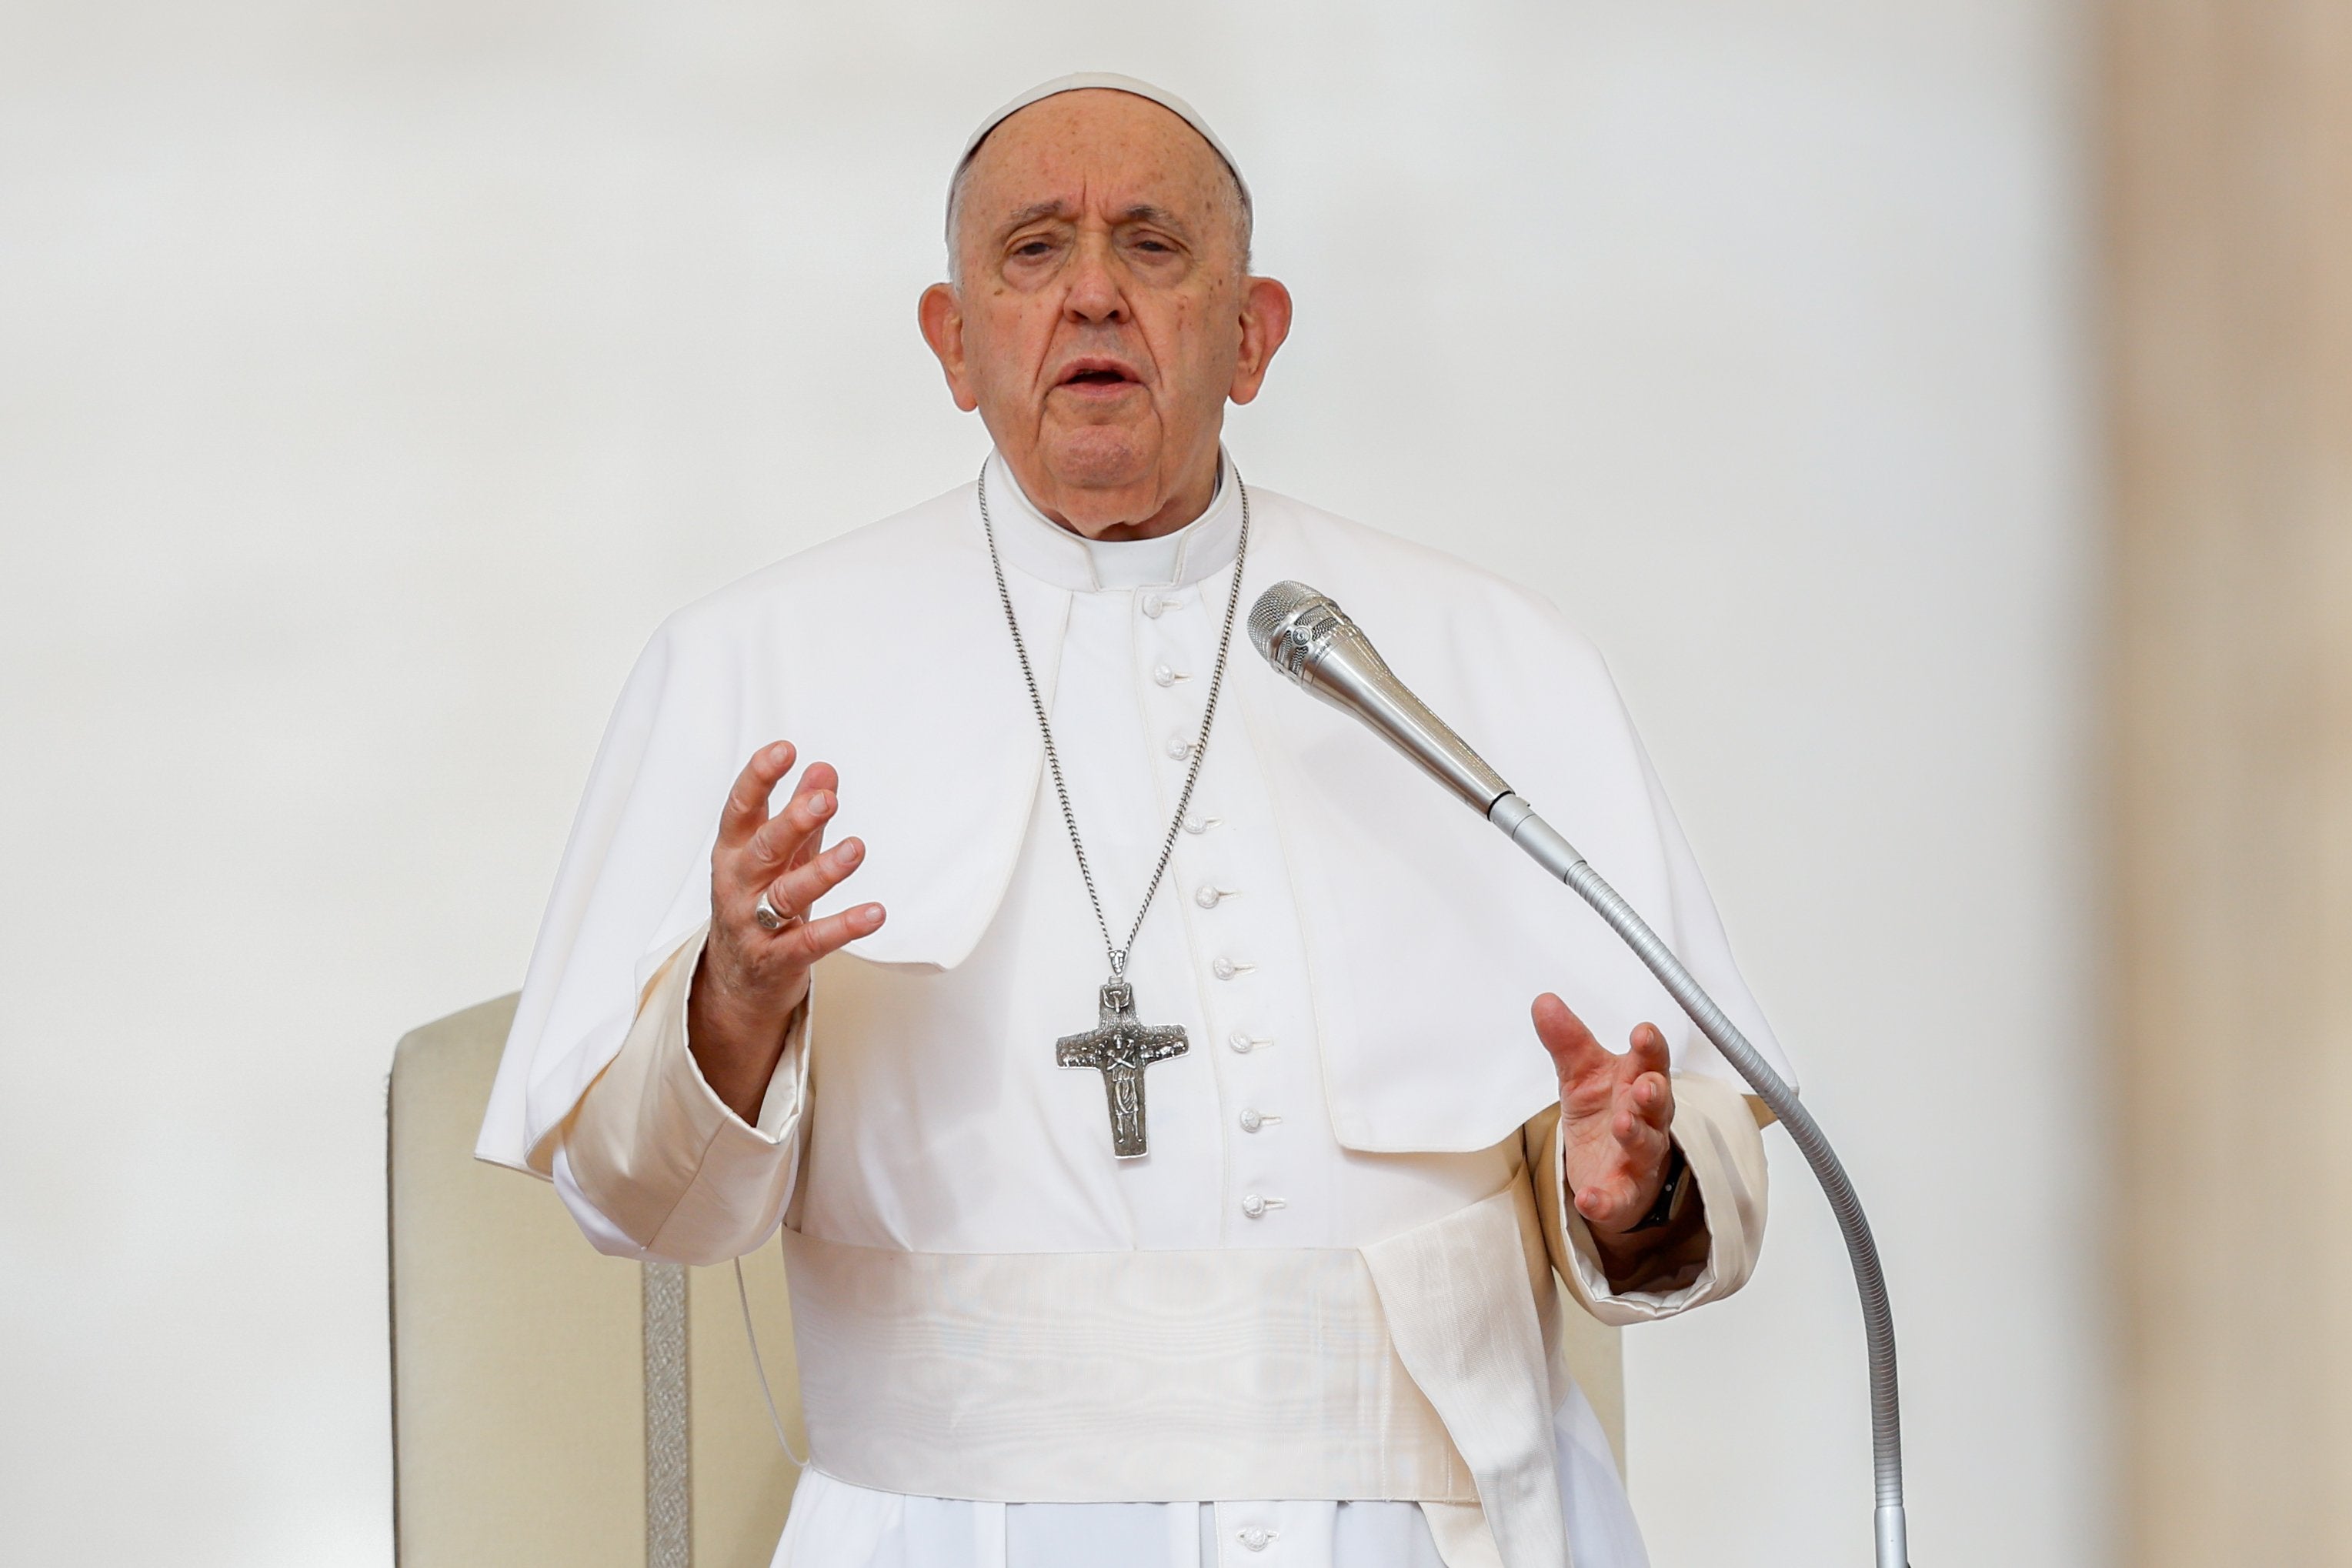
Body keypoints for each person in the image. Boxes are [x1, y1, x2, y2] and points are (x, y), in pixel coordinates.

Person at [479, 72, 1790, 1568]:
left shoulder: (1487, 660)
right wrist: (732, 999)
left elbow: (1698, 1147)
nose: (1091, 292)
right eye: (1032, 249)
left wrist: (1630, 1187)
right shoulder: (753, 664)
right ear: (949, 339)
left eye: (1152, 246)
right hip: (950, 1529)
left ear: (1251, 334)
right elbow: (634, 1201)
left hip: (1426, 1528)